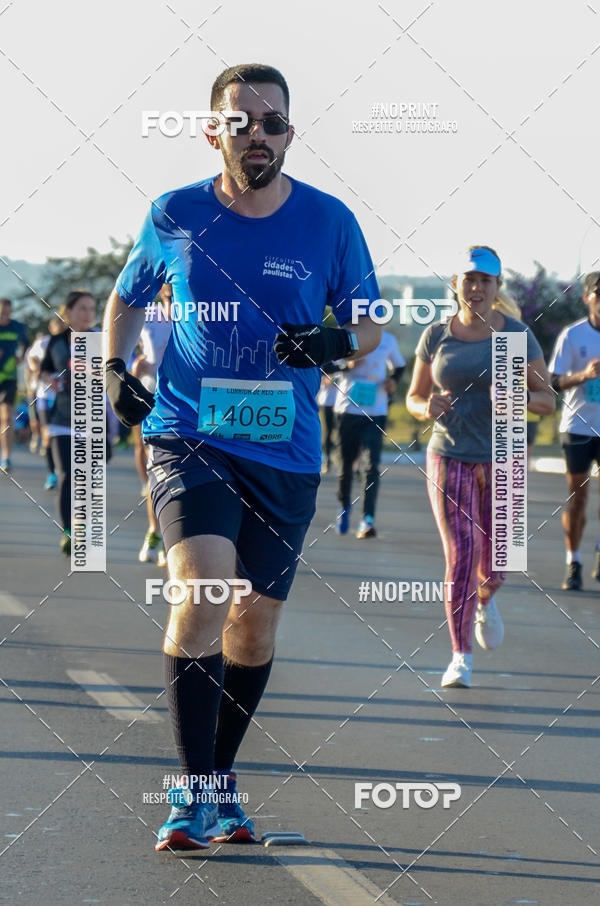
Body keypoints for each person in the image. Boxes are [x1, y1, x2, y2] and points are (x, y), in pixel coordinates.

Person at [103, 63, 382, 853]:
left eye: (272, 123)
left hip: (285, 452)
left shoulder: (329, 222)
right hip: (190, 434)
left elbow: (369, 329)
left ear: (290, 134)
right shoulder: (176, 213)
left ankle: (221, 782)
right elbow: (127, 297)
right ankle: (189, 793)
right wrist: (117, 370)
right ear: (213, 129)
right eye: (241, 121)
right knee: (203, 591)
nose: (256, 135)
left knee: (252, 628)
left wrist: (333, 341)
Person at [407, 246, 554, 688]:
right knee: (462, 552)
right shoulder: (436, 335)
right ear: (456, 284)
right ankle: (460, 656)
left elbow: (547, 401)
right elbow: (413, 398)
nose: (476, 288)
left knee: (497, 562)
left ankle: (486, 598)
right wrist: (423, 406)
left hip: (506, 453)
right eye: (468, 279)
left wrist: (521, 400)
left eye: (485, 280)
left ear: (496, 287)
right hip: (449, 451)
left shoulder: (516, 336)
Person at [548, 271, 600, 590]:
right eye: (599, 293)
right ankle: (574, 560)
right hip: (579, 426)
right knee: (578, 499)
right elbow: (552, 382)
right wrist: (582, 375)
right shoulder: (573, 335)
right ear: (587, 298)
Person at [40, 291, 97, 554]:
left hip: (91, 419)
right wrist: (49, 379)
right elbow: (43, 368)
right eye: (82, 308)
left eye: (92, 309)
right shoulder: (56, 341)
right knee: (67, 476)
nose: (88, 314)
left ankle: (81, 524)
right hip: (62, 419)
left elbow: (114, 372)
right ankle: (69, 532)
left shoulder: (101, 340)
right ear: (69, 312)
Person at [333, 330, 405, 538]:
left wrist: (393, 380)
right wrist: (347, 365)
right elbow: (328, 365)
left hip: (376, 410)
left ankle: (368, 519)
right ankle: (344, 506)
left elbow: (399, 366)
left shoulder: (388, 340)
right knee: (346, 464)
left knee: (372, 466)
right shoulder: (345, 336)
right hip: (347, 409)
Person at [132, 285, 172, 565]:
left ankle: (170, 537)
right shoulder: (148, 315)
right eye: (169, 296)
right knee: (152, 466)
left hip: (185, 402)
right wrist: (136, 367)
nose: (173, 300)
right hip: (149, 395)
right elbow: (123, 345)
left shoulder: (198, 313)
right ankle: (154, 529)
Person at [0, 298, 29, 472]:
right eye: (2, 311)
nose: (4, 314)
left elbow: (26, 344)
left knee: (6, 417)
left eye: (7, 312)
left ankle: (6, 457)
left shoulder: (17, 327)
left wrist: (21, 357)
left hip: (9, 378)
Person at [317, 373, 338, 473]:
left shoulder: (346, 360)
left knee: (342, 433)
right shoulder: (327, 359)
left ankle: (339, 456)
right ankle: (328, 459)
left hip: (343, 404)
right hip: (328, 402)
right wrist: (326, 380)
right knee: (328, 431)